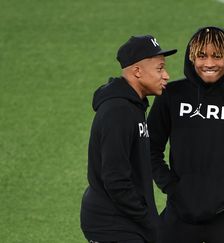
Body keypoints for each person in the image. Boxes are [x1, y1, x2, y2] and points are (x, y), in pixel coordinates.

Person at [147, 26, 224, 243]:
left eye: (217, 56)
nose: (209, 63)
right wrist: (172, 187)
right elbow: (149, 148)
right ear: (191, 57)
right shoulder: (171, 95)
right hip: (179, 216)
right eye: (202, 56)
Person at [80, 35, 177, 243]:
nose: (166, 75)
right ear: (137, 71)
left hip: (125, 222)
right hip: (113, 224)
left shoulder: (134, 107)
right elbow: (115, 179)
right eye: (160, 69)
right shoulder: (119, 111)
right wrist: (149, 220)